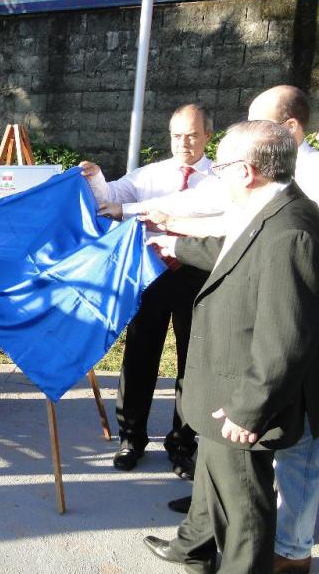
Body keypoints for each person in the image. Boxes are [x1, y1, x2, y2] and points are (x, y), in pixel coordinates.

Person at [154, 85, 319, 573]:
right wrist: (174, 246)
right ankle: (193, 551)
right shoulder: (267, 209)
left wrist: (249, 410)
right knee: (216, 479)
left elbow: (287, 337)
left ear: (246, 172)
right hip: (223, 386)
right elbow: (235, 257)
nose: (216, 174)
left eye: (221, 167)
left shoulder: (291, 231)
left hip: (242, 400)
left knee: (244, 511)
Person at [79, 104, 221, 478]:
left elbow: (188, 209)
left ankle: (183, 444)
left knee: (193, 361)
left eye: (192, 135)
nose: (183, 143)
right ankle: (131, 439)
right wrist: (95, 177)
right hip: (151, 272)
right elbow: (110, 196)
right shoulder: (150, 174)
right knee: (140, 355)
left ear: (208, 136)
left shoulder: (221, 178)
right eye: (177, 135)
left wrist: (129, 209)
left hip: (198, 272)